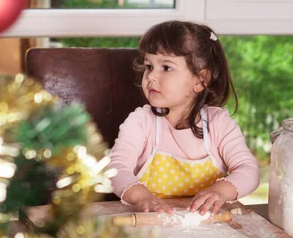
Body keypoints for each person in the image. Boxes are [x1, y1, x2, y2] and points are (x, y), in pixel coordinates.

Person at [109, 20, 260, 215]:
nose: (151, 76)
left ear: (200, 80)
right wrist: (143, 197)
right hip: (149, 229)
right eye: (149, 66)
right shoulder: (140, 122)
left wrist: (219, 192)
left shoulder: (219, 124)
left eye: (166, 68)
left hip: (207, 230)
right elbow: (116, 168)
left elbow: (249, 170)